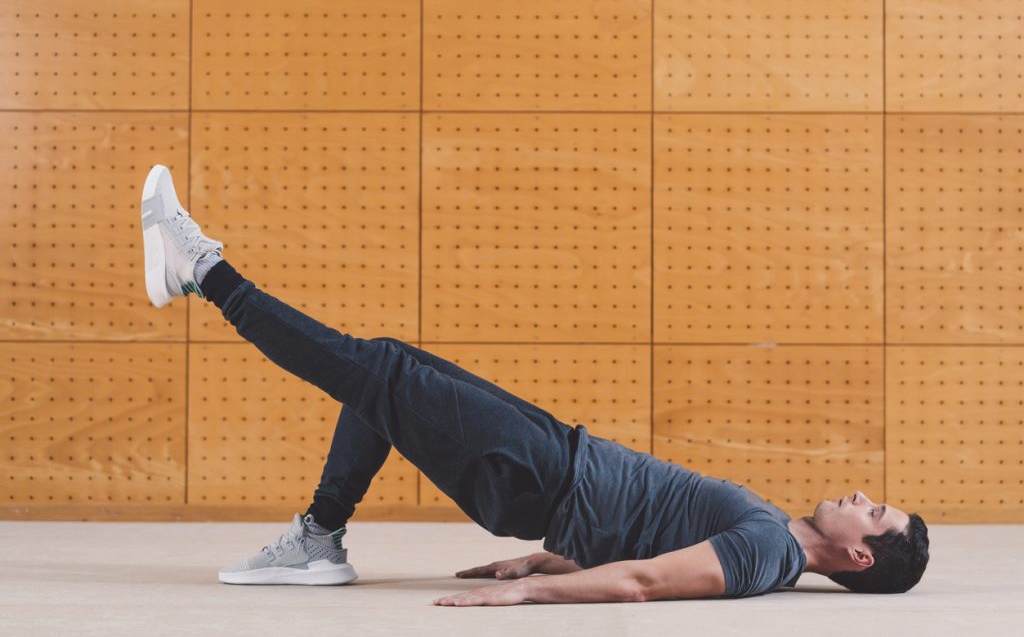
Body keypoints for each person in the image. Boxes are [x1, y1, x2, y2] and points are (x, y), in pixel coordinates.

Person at [140, 164, 930, 606]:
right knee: (383, 371)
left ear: (860, 554)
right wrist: (551, 562)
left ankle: (203, 272)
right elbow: (653, 536)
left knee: (375, 370)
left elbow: (646, 581)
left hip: (544, 475)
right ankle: (318, 538)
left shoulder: (764, 552)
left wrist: (528, 598)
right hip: (556, 462)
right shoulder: (774, 536)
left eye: (875, 509)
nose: (862, 493)